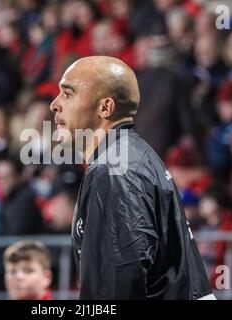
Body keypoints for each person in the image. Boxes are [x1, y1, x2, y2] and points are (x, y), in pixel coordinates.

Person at [49, 55, 214, 299]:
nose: (54, 104)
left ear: (105, 108)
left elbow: (120, 282)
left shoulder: (114, 169)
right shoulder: (132, 155)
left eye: (68, 94)